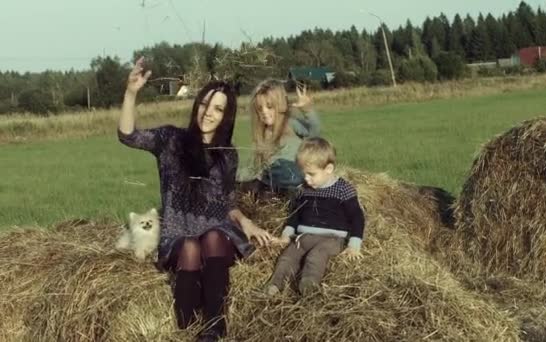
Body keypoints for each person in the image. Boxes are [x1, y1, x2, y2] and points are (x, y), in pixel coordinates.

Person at [117, 57, 273, 341]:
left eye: (218, 109)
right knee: (190, 246)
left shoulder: (227, 154)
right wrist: (131, 92)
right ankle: (186, 328)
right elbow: (127, 136)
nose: (208, 113)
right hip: (180, 232)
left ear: (226, 115)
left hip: (217, 233)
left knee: (212, 236)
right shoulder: (170, 140)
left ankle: (215, 328)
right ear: (196, 104)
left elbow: (227, 202)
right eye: (204, 104)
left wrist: (246, 223)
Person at [265, 137, 365, 296]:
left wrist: (354, 245)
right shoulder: (303, 190)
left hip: (332, 239)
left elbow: (357, 217)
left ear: (329, 169)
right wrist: (286, 236)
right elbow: (295, 215)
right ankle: (275, 285)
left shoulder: (343, 189)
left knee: (316, 256)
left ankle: (309, 287)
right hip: (304, 237)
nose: (306, 179)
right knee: (288, 257)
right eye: (304, 174)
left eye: (311, 174)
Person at [239, 79, 321, 197]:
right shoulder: (263, 134)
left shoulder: (290, 124)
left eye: (269, 106)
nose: (264, 112)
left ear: (280, 105)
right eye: (260, 108)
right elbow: (258, 167)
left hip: (294, 179)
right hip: (273, 184)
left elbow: (314, 132)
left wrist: (307, 110)